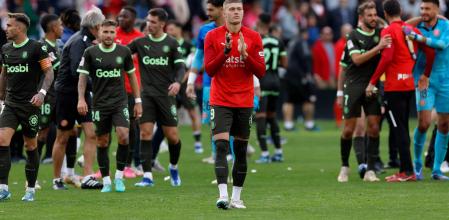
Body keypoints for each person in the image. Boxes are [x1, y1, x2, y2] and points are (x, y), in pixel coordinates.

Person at [204, 0, 265, 209]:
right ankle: (222, 195)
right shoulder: (212, 36)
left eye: (239, 9)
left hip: (244, 101)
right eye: (232, 9)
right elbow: (210, 70)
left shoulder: (254, 37)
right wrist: (226, 52)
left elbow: (261, 71)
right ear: (224, 12)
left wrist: (246, 55)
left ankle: (237, 198)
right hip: (220, 100)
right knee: (221, 146)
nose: (236, 12)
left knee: (240, 149)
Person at [366, 0, 435, 182]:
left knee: (399, 129)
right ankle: (407, 169)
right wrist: (425, 74)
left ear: (385, 13)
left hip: (394, 87)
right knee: (403, 126)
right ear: (401, 10)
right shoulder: (409, 30)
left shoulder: (388, 31)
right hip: (408, 85)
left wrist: (372, 82)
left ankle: (406, 171)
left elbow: (387, 58)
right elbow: (430, 51)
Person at [77, 20, 142, 193]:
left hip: (120, 102)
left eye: (112, 32)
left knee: (124, 136)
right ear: (99, 32)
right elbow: (82, 77)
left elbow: (132, 77)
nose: (109, 36)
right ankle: (106, 180)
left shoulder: (124, 51)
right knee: (102, 140)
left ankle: (119, 178)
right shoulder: (90, 52)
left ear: (116, 34)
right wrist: (81, 99)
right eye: (105, 32)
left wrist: (138, 101)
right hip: (99, 104)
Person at [128, 8, 185, 187]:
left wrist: (177, 83)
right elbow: (121, 53)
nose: (149, 24)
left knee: (173, 136)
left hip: (166, 96)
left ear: (162, 24)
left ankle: (173, 167)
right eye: (147, 21)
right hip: (146, 96)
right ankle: (147, 177)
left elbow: (181, 67)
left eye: (153, 22)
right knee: (145, 134)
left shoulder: (172, 43)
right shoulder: (139, 42)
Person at [0, 13, 54, 201]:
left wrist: (42, 93)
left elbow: (49, 73)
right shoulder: (6, 49)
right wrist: (1, 98)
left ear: (20, 28)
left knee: (30, 145)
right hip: (11, 104)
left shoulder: (37, 48)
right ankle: (3, 188)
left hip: (30, 105)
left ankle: (30, 189)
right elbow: (4, 74)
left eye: (9, 26)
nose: (6, 29)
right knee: (1, 140)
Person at [336, 1, 391, 182]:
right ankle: (344, 166)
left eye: (375, 15)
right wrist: (339, 92)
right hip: (354, 86)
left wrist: (382, 25)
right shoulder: (353, 36)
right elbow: (357, 60)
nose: (373, 18)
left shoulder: (380, 34)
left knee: (374, 128)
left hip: (372, 86)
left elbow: (392, 28)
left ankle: (370, 169)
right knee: (349, 130)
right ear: (361, 18)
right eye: (370, 15)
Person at [53, 8, 105, 190]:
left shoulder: (86, 40)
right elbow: (77, 71)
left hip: (80, 93)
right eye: (102, 27)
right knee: (63, 136)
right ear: (96, 26)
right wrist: (98, 84)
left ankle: (87, 176)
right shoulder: (79, 42)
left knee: (91, 134)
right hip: (67, 94)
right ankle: (56, 179)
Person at [405, 0, 449, 180]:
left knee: (444, 125)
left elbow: (441, 45)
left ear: (437, 9)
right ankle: (417, 165)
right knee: (423, 123)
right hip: (424, 81)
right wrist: (419, 19)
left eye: (427, 8)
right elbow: (401, 27)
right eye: (421, 8)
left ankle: (437, 169)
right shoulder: (417, 26)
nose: (423, 11)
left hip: (445, 81)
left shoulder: (445, 25)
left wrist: (420, 38)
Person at [186, 0, 225, 164]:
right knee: (213, 121)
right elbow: (198, 57)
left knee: (233, 122)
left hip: (234, 83)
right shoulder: (204, 30)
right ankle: (217, 154)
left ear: (222, 9)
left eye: (211, 9)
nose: (207, 13)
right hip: (210, 83)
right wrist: (190, 82)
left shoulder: (236, 29)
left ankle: (231, 150)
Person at [115, 6, 145, 178]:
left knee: (133, 126)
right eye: (119, 16)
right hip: (112, 90)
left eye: (125, 17)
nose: (121, 19)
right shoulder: (111, 34)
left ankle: (130, 162)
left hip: (131, 90)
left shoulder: (139, 39)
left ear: (133, 19)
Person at [254, 13, 287, 164]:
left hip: (262, 81)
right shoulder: (278, 41)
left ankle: (265, 154)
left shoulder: (256, 40)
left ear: (259, 22)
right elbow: (285, 64)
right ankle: (279, 152)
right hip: (275, 81)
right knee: (272, 116)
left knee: (261, 117)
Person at [166, 20, 203, 154]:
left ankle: (198, 142)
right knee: (171, 115)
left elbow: (193, 65)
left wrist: (184, 79)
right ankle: (173, 141)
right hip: (171, 84)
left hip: (185, 84)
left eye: (171, 29)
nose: (168, 32)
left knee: (193, 112)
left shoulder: (188, 45)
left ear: (178, 29)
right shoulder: (167, 45)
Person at [38, 14, 64, 164]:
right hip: (46, 96)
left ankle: (64, 167)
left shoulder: (58, 45)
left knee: (67, 129)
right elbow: (55, 69)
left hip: (59, 95)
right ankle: (34, 161)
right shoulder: (42, 47)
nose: (62, 28)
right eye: (60, 25)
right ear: (54, 28)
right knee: (42, 132)